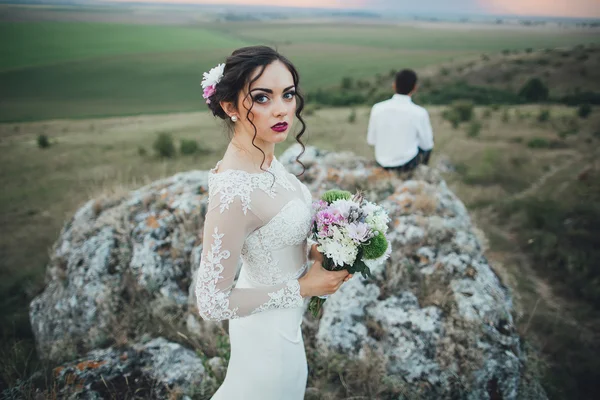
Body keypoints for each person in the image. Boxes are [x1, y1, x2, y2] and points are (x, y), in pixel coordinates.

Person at [194, 46, 352, 400]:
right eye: (262, 98)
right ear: (229, 106)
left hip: (286, 328)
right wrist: (304, 288)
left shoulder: (266, 158)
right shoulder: (235, 191)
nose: (282, 109)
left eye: (288, 94)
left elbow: (274, 237)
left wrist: (320, 253)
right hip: (266, 345)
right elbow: (211, 302)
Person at [367, 69, 434, 173]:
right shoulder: (420, 112)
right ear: (414, 88)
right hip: (406, 165)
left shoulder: (377, 108)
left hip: (381, 162)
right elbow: (427, 145)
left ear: (394, 85)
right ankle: (422, 173)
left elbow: (371, 141)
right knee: (426, 144)